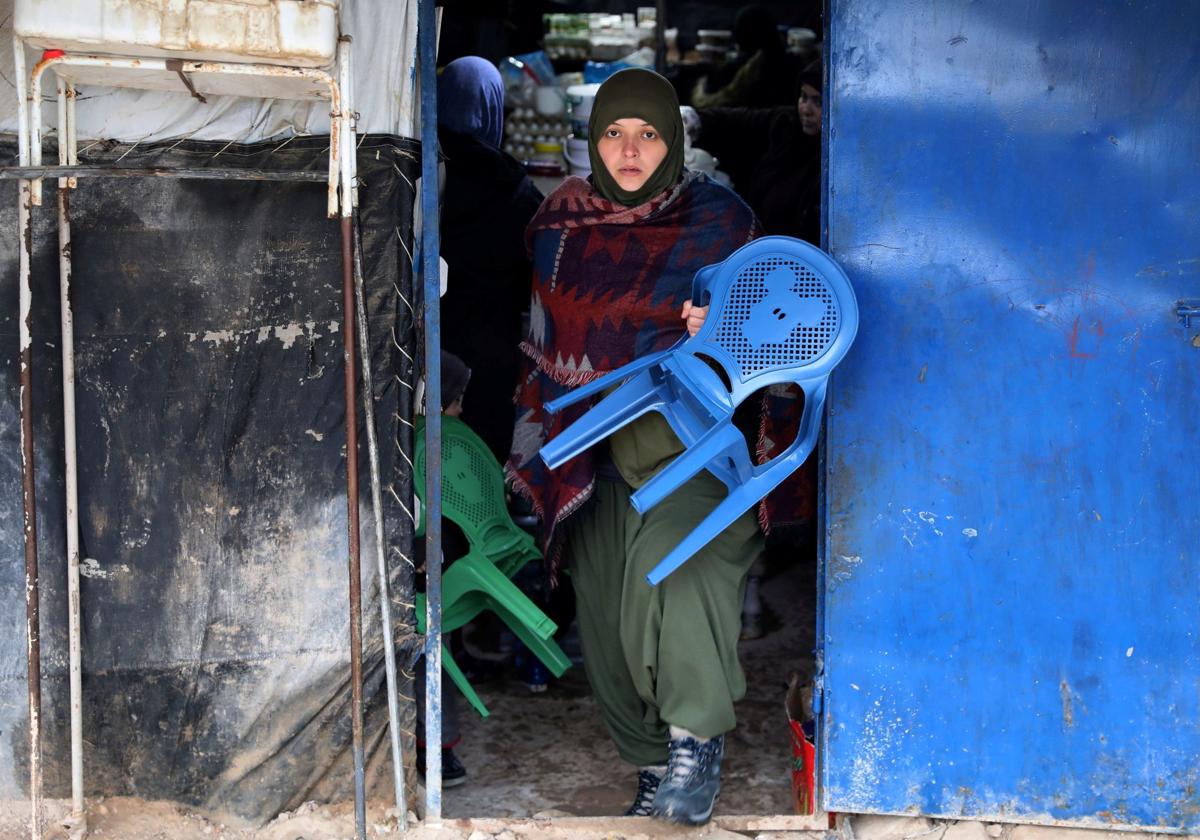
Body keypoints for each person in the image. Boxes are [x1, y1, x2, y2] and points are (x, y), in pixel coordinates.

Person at [506, 68, 767, 826]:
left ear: (674, 139)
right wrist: (529, 442)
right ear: (593, 140)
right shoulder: (559, 226)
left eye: (648, 133)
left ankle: (695, 743)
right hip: (588, 454)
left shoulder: (725, 224)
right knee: (609, 622)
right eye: (614, 133)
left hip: (688, 443)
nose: (629, 149)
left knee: (677, 572)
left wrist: (720, 336)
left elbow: (780, 338)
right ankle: (651, 760)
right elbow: (541, 340)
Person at [437, 57, 544, 462]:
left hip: (428, 347)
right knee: (480, 461)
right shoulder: (515, 191)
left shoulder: (415, 173)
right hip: (491, 353)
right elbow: (532, 283)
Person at [686, 60, 823, 243]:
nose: (806, 109)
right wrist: (694, 119)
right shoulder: (786, 124)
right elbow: (738, 121)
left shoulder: (835, 162)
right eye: (803, 97)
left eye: (818, 102)